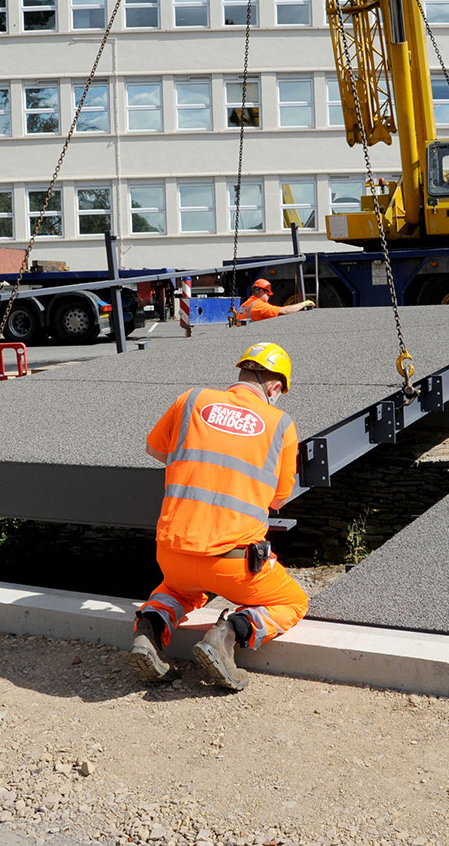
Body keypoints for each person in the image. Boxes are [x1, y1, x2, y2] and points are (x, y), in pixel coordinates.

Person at [131, 342, 307, 691]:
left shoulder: (192, 400)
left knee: (178, 592)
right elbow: (278, 499)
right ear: (274, 388)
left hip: (174, 553)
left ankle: (149, 632)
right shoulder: (281, 424)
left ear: (241, 373)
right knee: (293, 601)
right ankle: (226, 636)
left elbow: (155, 449)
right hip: (235, 564)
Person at [234, 278, 315, 324]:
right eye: (268, 294)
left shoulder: (246, 304)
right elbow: (285, 311)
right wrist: (304, 304)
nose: (269, 297)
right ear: (261, 292)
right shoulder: (260, 307)